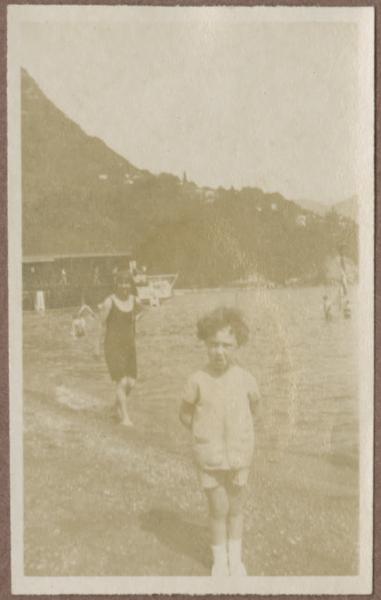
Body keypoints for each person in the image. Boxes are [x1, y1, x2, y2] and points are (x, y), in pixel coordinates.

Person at [179, 307, 261, 576]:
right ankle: (219, 562)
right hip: (209, 457)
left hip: (239, 456)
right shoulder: (197, 380)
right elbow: (185, 414)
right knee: (218, 509)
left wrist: (241, 436)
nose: (219, 351)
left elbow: (255, 410)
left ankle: (235, 561)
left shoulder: (246, 378)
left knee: (235, 509)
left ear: (237, 344)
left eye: (227, 345)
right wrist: (205, 434)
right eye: (213, 344)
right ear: (204, 342)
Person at [98, 270, 143, 427]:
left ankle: (114, 408)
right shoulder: (109, 302)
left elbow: (141, 312)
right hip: (112, 346)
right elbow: (102, 326)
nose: (125, 286)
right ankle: (124, 417)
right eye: (122, 283)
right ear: (116, 285)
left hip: (129, 346)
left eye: (128, 283)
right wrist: (96, 348)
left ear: (131, 285)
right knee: (122, 382)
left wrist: (137, 317)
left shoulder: (134, 300)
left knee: (131, 383)